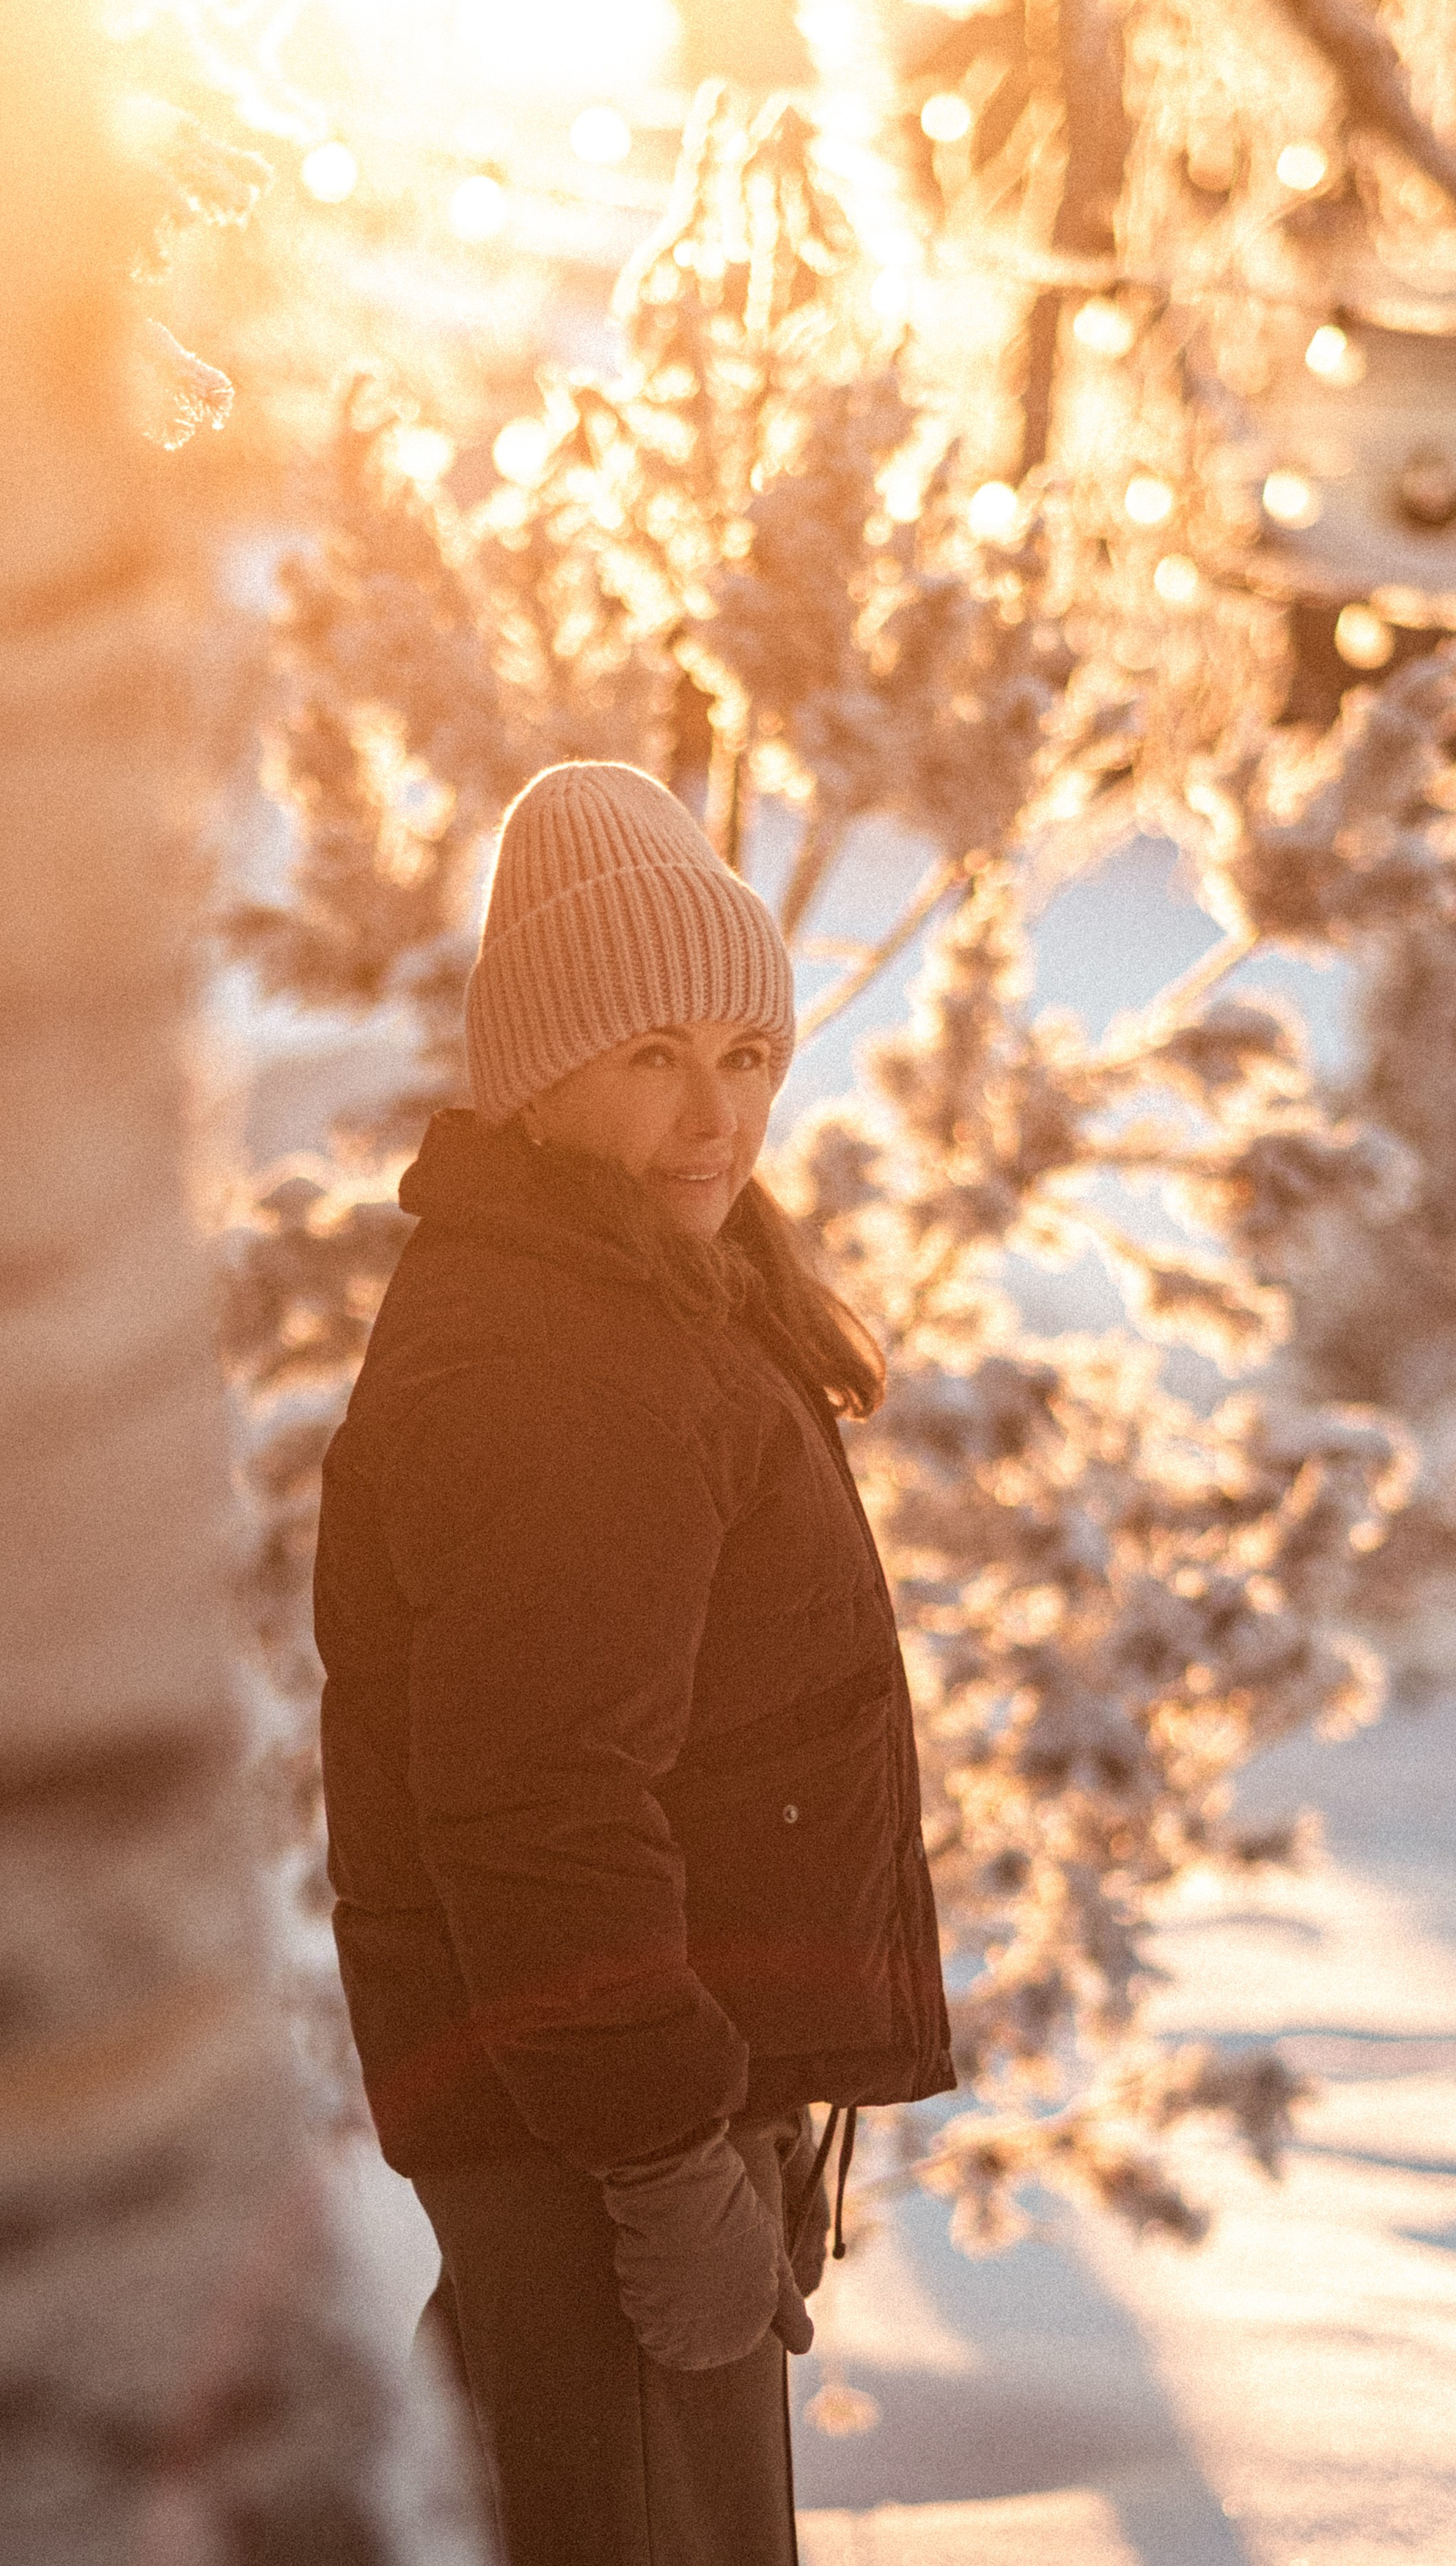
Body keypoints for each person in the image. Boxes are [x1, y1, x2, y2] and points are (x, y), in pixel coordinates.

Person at [313, 761, 954, 2566]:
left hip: (616, 2099)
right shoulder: (557, 1360)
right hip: (592, 2134)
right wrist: (666, 2157)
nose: (712, 1112)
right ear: (539, 1072)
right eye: (650, 1053)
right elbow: (538, 1804)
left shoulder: (638, 1297)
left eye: (743, 1053)